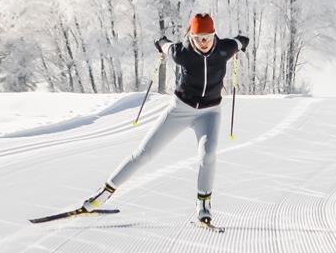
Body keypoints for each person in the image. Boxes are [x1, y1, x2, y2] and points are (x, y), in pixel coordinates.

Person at [79, 13, 249, 226]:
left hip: (210, 113)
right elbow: (167, 46)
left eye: (207, 36)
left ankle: (203, 205)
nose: (203, 42)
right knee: (143, 153)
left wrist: (242, 43)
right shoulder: (182, 53)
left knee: (207, 155)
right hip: (180, 110)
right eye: (198, 37)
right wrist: (161, 43)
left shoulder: (225, 49)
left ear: (214, 35)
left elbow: (239, 41)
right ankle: (102, 195)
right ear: (191, 36)